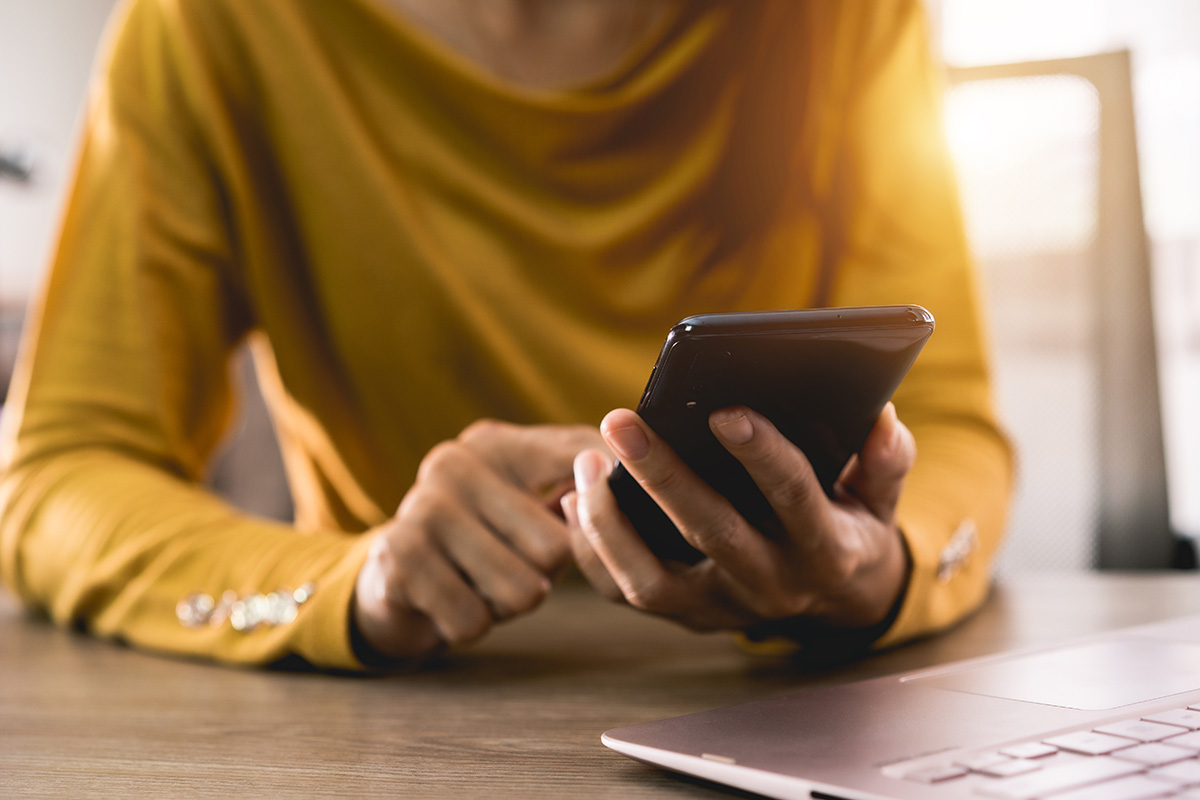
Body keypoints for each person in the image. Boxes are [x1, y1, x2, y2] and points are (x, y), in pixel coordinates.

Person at [0, 0, 1012, 670]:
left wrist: (879, 568)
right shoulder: (212, 29)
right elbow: (59, 473)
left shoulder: (848, 18)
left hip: (788, 694)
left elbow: (951, 427)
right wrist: (350, 583)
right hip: (407, 710)